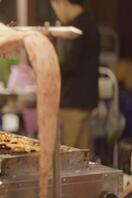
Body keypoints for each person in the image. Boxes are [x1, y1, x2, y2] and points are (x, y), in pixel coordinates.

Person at [50, 0, 100, 149]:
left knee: (67, 152)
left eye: (55, 8)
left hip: (73, 99)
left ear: (62, 3)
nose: (57, 14)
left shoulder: (76, 28)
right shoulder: (90, 22)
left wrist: (48, 68)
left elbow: (70, 63)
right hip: (87, 99)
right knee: (82, 152)